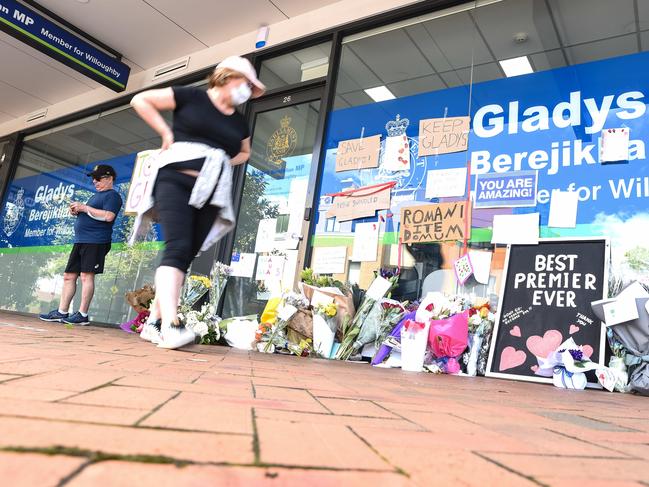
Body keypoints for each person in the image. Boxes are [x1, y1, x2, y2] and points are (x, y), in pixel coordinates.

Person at [129, 56, 265, 349]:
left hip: (212, 189)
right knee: (177, 248)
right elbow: (141, 100)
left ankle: (153, 322)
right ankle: (171, 325)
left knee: (185, 255)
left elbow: (245, 153)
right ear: (228, 77)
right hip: (175, 179)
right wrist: (166, 133)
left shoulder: (239, 121)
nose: (247, 91)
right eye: (246, 83)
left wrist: (218, 160)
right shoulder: (191, 97)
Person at [40, 164, 123, 325]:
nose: (94, 182)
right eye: (93, 179)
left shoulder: (112, 196)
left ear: (109, 178)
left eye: (98, 178)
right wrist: (77, 210)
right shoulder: (95, 196)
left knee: (86, 276)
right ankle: (62, 312)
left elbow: (108, 216)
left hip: (96, 241)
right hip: (81, 240)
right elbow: (91, 213)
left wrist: (84, 208)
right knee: (68, 276)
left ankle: (82, 314)